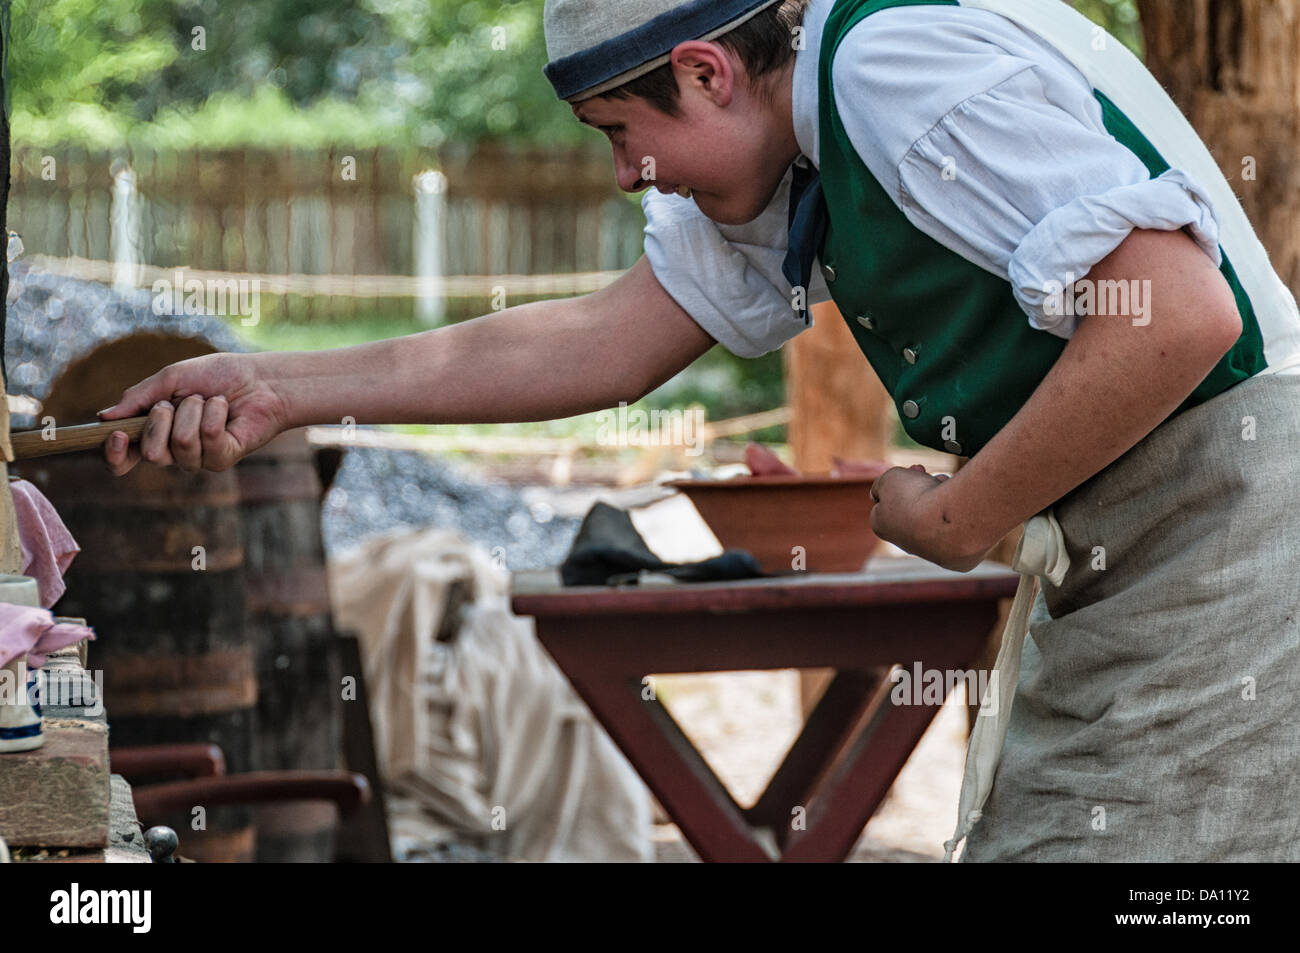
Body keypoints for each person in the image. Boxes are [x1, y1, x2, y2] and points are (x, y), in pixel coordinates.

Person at [100, 0, 1300, 861]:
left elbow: (1177, 316)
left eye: (623, 133)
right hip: (1138, 543)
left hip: (1234, 518)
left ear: (707, 71)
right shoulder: (797, 141)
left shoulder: (892, 63)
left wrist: (960, 510)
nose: (628, 174)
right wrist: (282, 384)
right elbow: (590, 341)